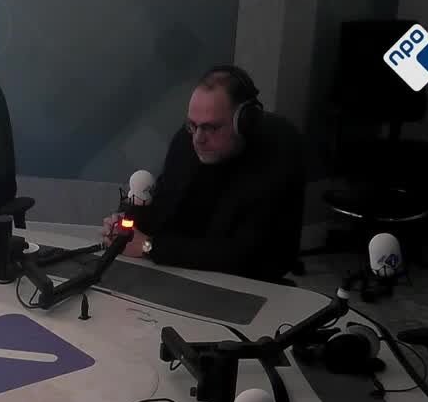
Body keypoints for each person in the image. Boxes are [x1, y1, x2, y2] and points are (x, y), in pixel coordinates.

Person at [103, 65, 305, 283]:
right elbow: (164, 212)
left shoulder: (277, 150)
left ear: (246, 122)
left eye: (211, 128)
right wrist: (130, 225)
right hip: (183, 275)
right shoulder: (187, 140)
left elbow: (250, 255)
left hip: (247, 285)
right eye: (192, 125)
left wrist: (148, 246)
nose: (198, 139)